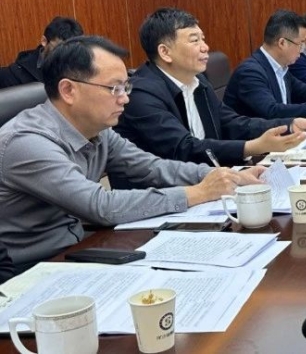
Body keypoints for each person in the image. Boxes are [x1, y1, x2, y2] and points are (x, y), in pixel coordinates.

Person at [0, 36, 265, 270]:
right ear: (69, 90)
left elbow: (152, 167)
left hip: (80, 247)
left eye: (125, 87)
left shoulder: (99, 130)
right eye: (114, 88)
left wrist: (226, 176)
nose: (125, 98)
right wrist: (199, 192)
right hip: (26, 269)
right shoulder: (27, 142)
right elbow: (100, 206)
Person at [116, 8, 306, 166]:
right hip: (165, 195)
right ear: (165, 52)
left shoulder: (198, 81)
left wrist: (288, 125)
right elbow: (183, 148)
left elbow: (230, 122)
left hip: (210, 177)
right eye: (194, 40)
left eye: (203, 39)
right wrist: (252, 147)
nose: (205, 47)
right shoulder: (141, 94)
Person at [225, 10, 306, 119]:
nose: (302, 50)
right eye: (300, 44)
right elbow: (272, 111)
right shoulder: (250, 72)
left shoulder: (281, 68)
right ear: (282, 43)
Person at [0, 16, 83, 88]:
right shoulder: (15, 74)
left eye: (73, 50)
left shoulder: (84, 68)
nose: (66, 55)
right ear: (44, 41)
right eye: (59, 49)